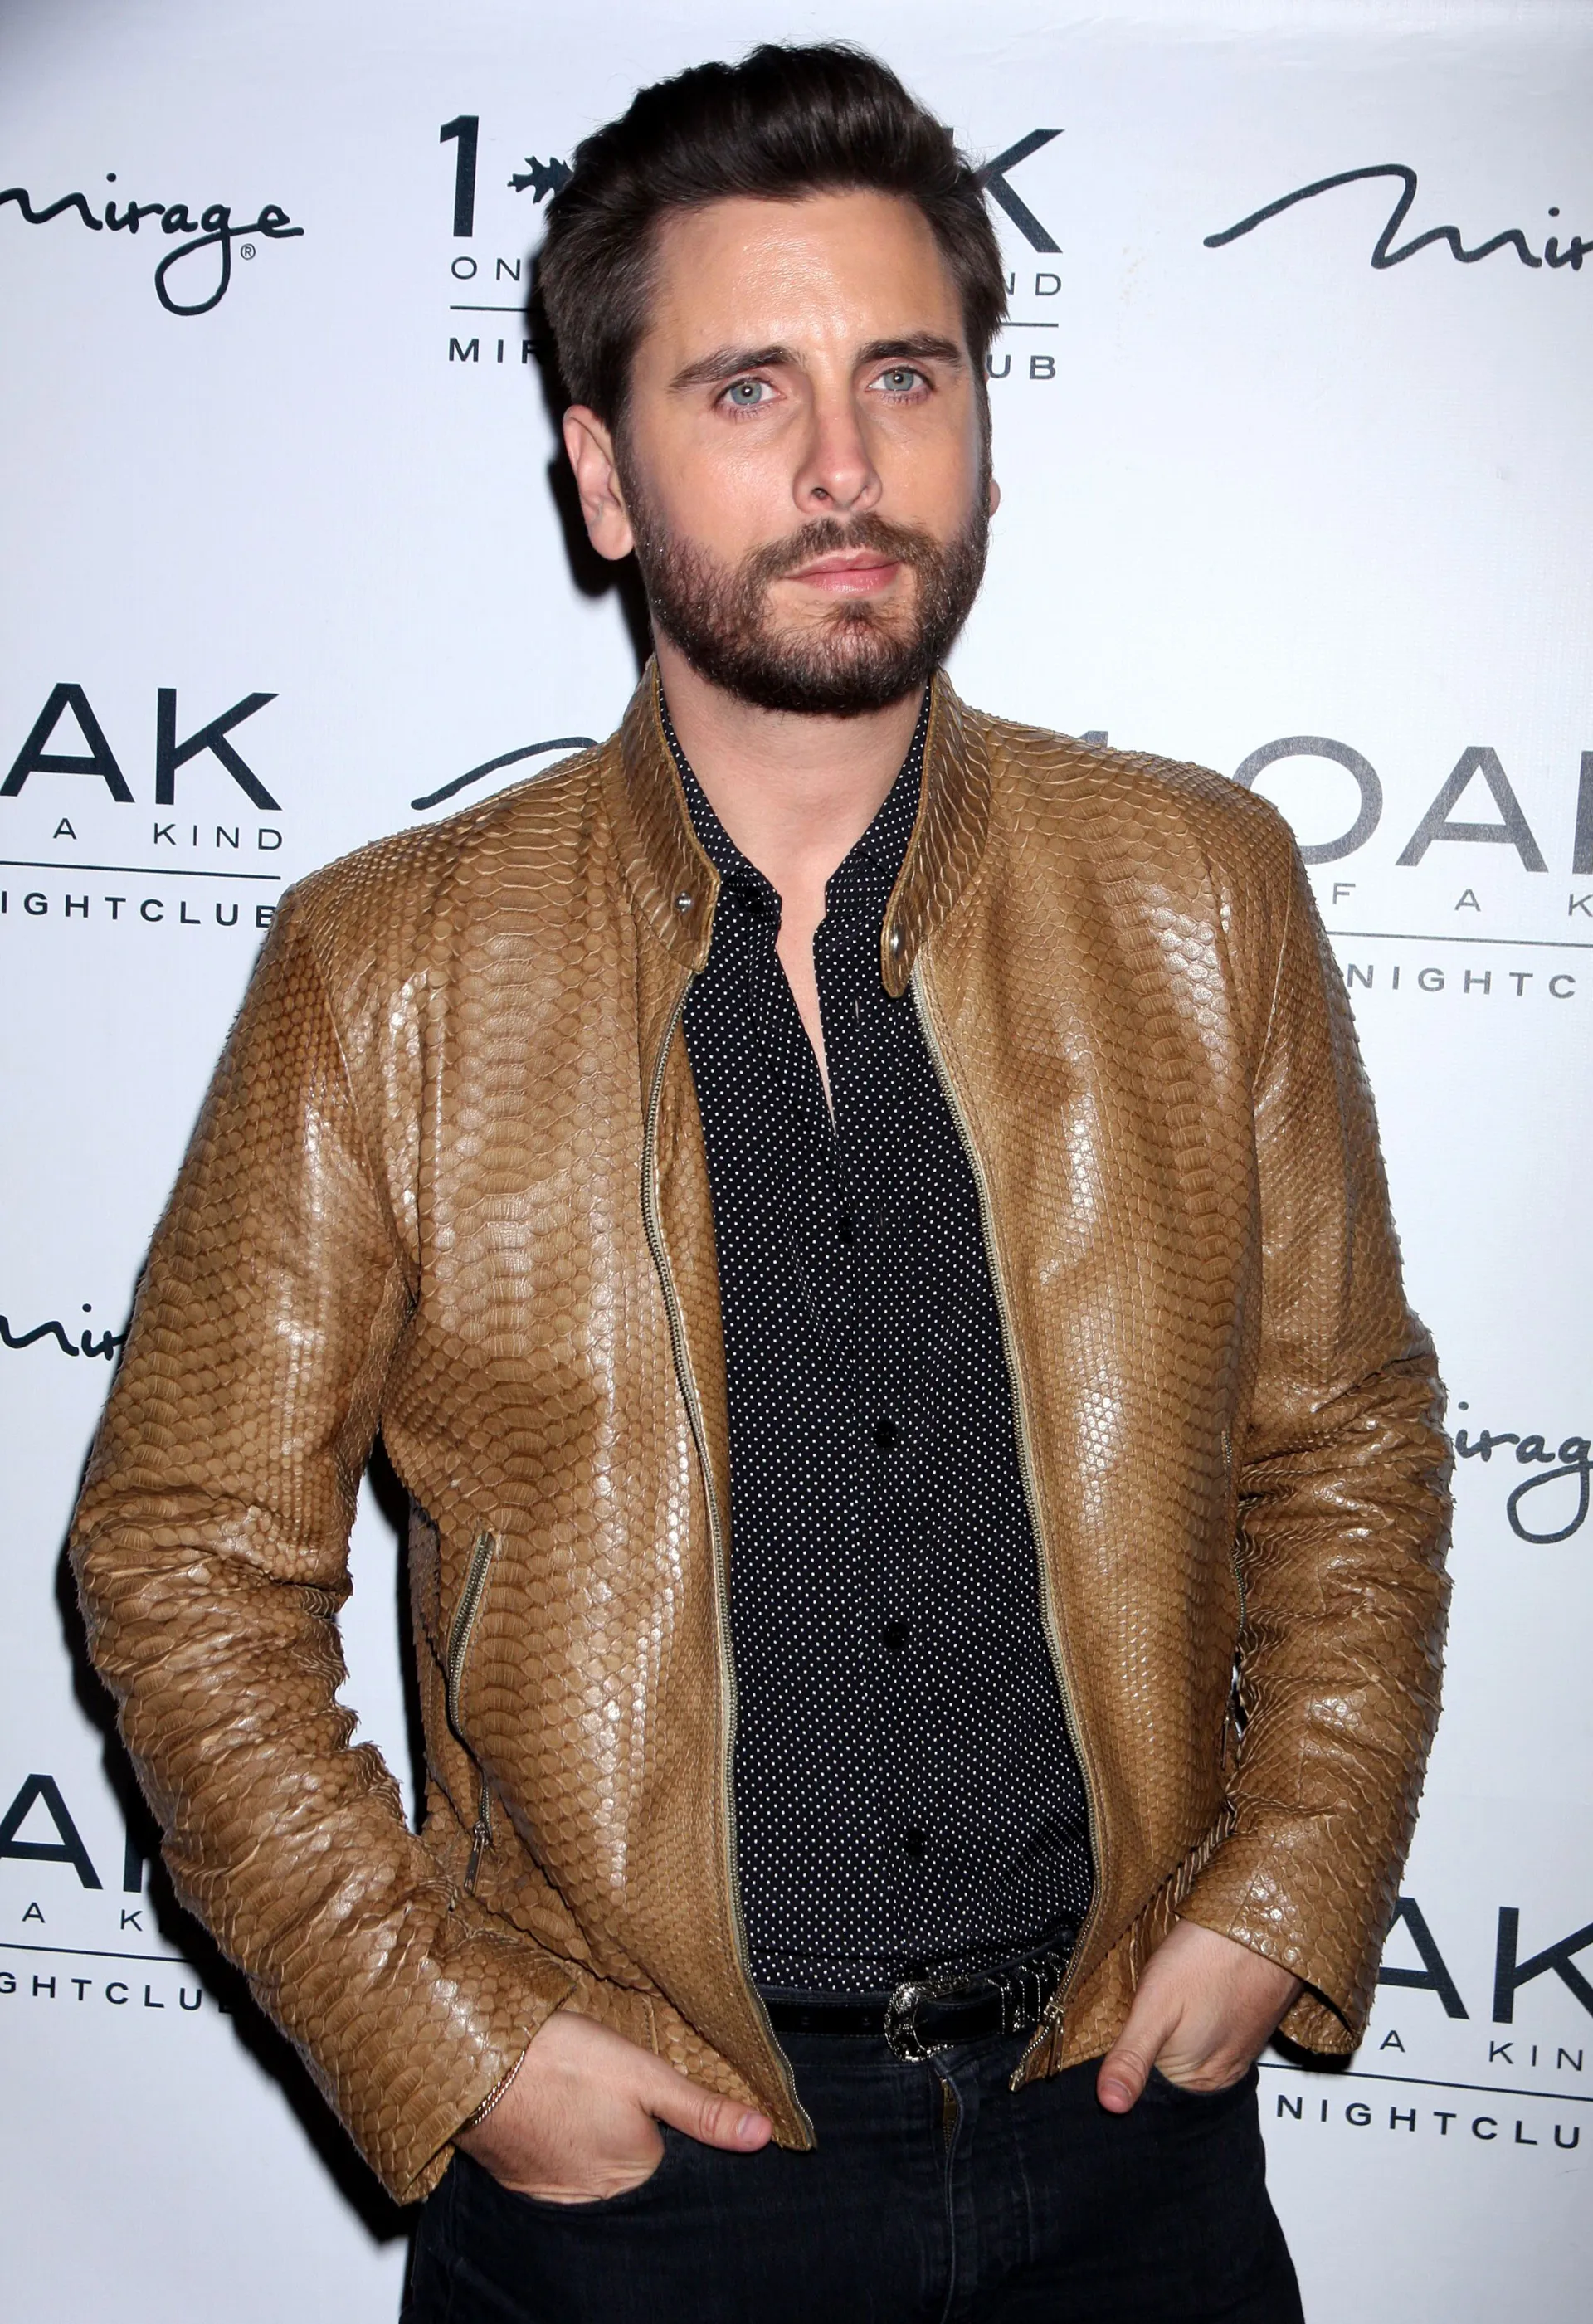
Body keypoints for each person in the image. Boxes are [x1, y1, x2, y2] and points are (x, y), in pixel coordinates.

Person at [71, 42, 1451, 2324]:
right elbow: (183, 1556)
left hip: (1133, 2142)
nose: (844, 466)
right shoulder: (390, 968)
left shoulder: (1201, 895)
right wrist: (446, 2038)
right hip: (638, 2197)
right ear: (603, 478)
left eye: (906, 375)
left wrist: (1289, 1882)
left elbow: (1350, 1444)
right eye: (746, 391)